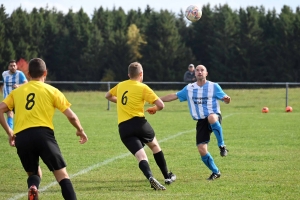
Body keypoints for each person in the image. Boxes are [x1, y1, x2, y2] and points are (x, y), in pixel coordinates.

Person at [0, 58, 88, 200]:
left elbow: (0, 109)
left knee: (34, 174)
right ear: (45, 73)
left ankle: (33, 186)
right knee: (62, 176)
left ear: (28, 74)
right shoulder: (52, 90)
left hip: (22, 137)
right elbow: (71, 116)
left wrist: (10, 132)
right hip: (43, 135)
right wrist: (80, 130)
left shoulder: (17, 92)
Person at [147, 65, 230, 181]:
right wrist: (155, 99)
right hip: (201, 121)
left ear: (206, 73)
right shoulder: (189, 88)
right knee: (201, 149)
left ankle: (222, 146)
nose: (199, 72)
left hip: (214, 116)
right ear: (194, 73)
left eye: (202, 70)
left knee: (211, 117)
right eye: (197, 70)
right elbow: (174, 96)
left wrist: (226, 99)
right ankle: (216, 172)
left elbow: (225, 99)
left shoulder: (214, 86)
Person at [105, 62, 176, 190]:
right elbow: (161, 104)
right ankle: (167, 176)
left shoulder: (121, 85)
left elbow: (108, 96)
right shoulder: (143, 87)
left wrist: (120, 102)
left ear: (128, 74)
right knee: (155, 146)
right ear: (141, 74)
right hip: (139, 124)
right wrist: (154, 108)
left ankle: (150, 177)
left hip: (124, 128)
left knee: (141, 156)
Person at [2, 60, 28, 129]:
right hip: (8, 98)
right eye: (11, 66)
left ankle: (23, 129)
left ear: (16, 66)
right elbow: (3, 83)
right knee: (10, 114)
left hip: (18, 98)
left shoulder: (20, 74)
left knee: (22, 116)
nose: (13, 67)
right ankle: (10, 133)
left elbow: (26, 83)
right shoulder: (4, 74)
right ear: (8, 67)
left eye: (14, 66)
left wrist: (19, 85)